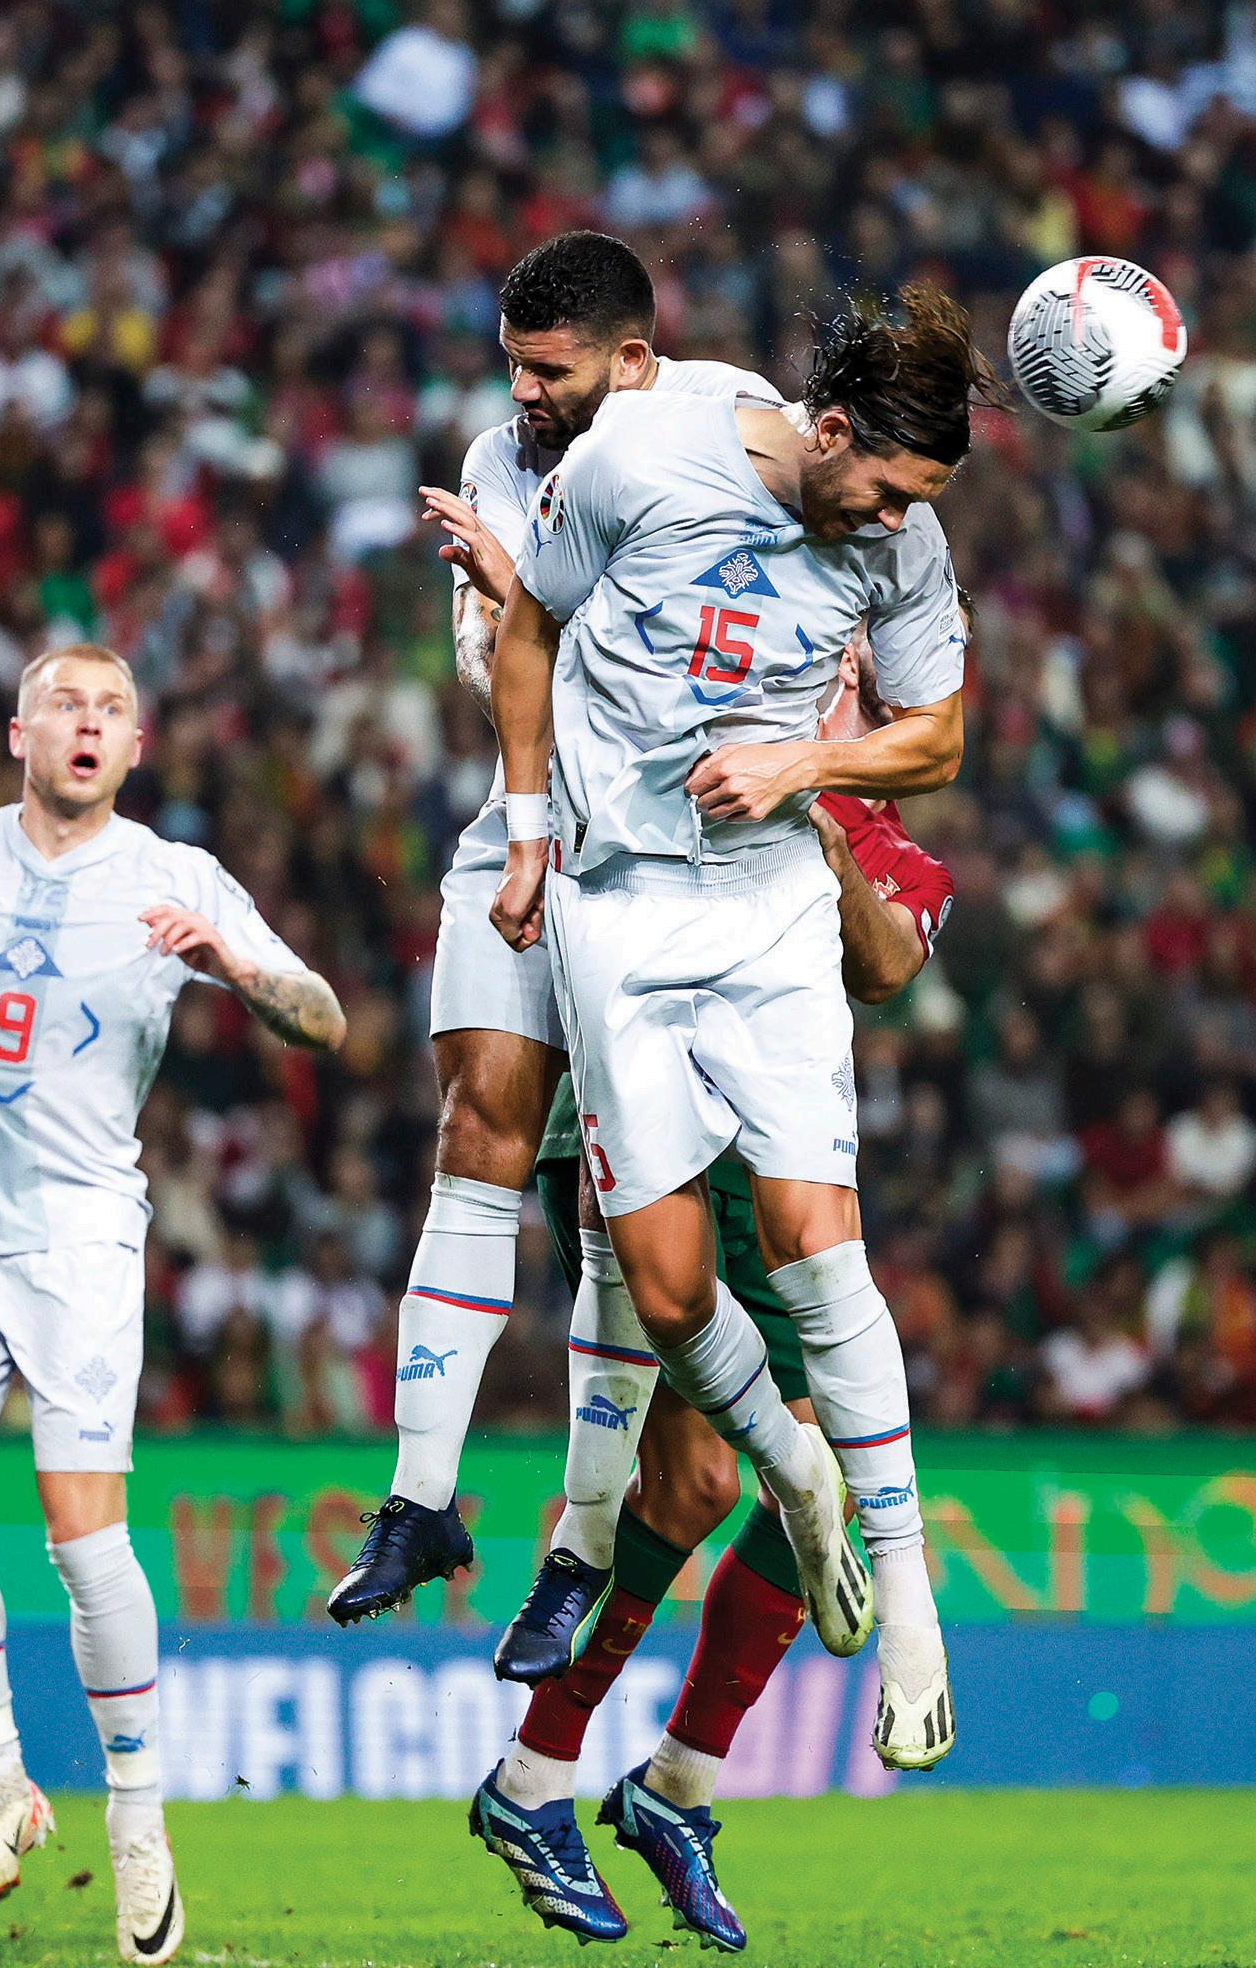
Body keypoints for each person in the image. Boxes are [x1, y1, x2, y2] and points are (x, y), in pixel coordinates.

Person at [489, 287, 995, 1781]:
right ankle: (799, 1477)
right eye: (888, 487)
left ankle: (910, 1611)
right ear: (826, 432)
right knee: (663, 1293)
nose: (899, 519)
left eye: (921, 499)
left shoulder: (903, 546)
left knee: (817, 1240)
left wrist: (803, 766)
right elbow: (530, 622)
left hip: (769, 900)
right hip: (620, 907)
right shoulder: (642, 455)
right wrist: (526, 829)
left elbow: (938, 735)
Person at [0, 645, 345, 1965]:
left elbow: (321, 1018)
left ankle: (138, 1816)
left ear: (136, 748)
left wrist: (234, 963)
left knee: (85, 1543)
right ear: (18, 732)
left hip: (82, 1244)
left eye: (113, 710)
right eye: (66, 705)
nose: (89, 724)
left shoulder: (176, 876)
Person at [328, 230, 788, 1627]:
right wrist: (520, 602)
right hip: (527, 824)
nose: (523, 395)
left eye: (551, 371)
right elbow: (499, 680)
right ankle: (418, 1503)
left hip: (677, 872)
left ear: (633, 362)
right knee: (475, 1124)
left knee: (612, 1199)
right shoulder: (497, 459)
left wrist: (532, 586)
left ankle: (581, 1545)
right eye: (512, 367)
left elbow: (721, 660)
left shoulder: (736, 427)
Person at [476, 635, 957, 1946]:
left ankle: (634, 1781)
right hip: (652, 1140)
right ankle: (568, 1776)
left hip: (774, 1171)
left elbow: (887, 965)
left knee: (718, 1488)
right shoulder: (700, 731)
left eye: (870, 667)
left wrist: (821, 824)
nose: (847, 669)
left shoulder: (895, 849)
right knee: (708, 1479)